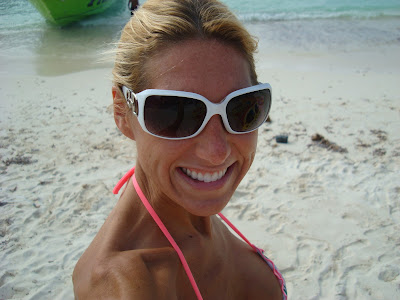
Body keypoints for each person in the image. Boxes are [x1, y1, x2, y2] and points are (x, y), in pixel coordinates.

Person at [72, 0, 287, 299]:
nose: (216, 152)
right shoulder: (128, 285)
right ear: (122, 112)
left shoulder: (190, 209)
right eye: (176, 113)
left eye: (241, 108)